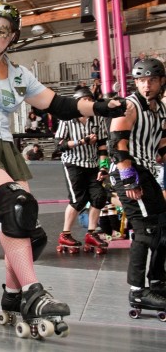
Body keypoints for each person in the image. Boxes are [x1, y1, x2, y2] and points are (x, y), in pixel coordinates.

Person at [0, 1, 125, 332]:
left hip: (3, 150)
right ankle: (33, 291)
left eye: (2, 31)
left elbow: (59, 104)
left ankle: (12, 296)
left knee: (31, 228)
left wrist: (100, 107)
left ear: (12, 36)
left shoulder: (18, 74)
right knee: (15, 206)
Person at [109, 58, 166, 313]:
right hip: (129, 172)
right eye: (142, 80)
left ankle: (157, 282)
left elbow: (160, 146)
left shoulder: (160, 109)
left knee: (163, 227)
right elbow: (117, 143)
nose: (146, 85)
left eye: (151, 80)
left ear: (161, 81)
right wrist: (129, 178)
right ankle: (137, 292)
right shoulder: (129, 106)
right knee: (145, 232)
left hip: (147, 170)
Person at [55, 87, 110, 254]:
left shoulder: (97, 119)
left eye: (89, 100)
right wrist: (81, 141)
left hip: (93, 164)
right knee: (78, 199)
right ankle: (65, 234)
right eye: (84, 101)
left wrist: (103, 167)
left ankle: (91, 233)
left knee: (99, 196)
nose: (88, 104)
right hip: (73, 163)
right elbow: (60, 146)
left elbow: (102, 145)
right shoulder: (67, 119)